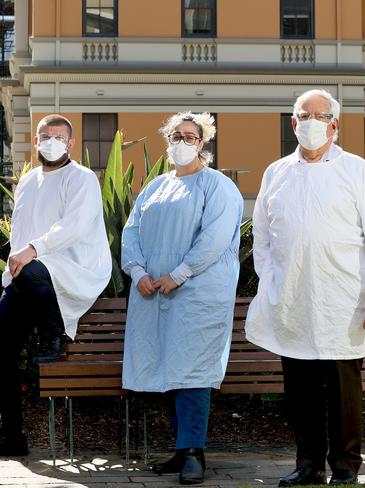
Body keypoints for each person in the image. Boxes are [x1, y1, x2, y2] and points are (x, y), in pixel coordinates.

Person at [245, 89, 365, 486]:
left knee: (344, 394)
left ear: (335, 124)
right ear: (293, 123)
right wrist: (271, 279)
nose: (311, 122)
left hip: (344, 300)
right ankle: (308, 465)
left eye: (320, 115)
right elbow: (261, 234)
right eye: (303, 115)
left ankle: (345, 468)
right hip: (292, 300)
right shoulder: (276, 172)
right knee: (301, 393)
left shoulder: (357, 170)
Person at [121, 112, 243, 484]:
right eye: (176, 135)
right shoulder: (155, 186)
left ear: (203, 143)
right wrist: (138, 272)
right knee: (167, 371)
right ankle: (180, 449)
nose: (182, 142)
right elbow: (132, 231)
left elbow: (215, 238)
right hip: (152, 294)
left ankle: (194, 453)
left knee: (192, 372)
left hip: (197, 294)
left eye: (191, 136)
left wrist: (178, 275)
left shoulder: (217, 186)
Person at [0, 114, 111, 456]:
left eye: (59, 137)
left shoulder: (82, 179)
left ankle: (53, 333)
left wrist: (33, 250)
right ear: (35, 140)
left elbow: (74, 226)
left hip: (72, 268)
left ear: (71, 144)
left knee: (32, 267)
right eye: (45, 136)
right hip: (28, 276)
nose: (51, 141)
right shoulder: (28, 180)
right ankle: (13, 437)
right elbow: (19, 233)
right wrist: (10, 274)